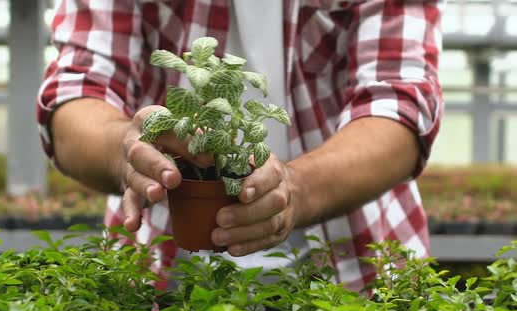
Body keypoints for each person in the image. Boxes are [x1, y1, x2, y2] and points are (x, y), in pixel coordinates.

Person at [37, 0, 444, 292]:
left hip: (358, 261)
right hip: (158, 260)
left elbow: (399, 105)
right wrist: (126, 150)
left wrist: (294, 190)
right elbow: (77, 93)